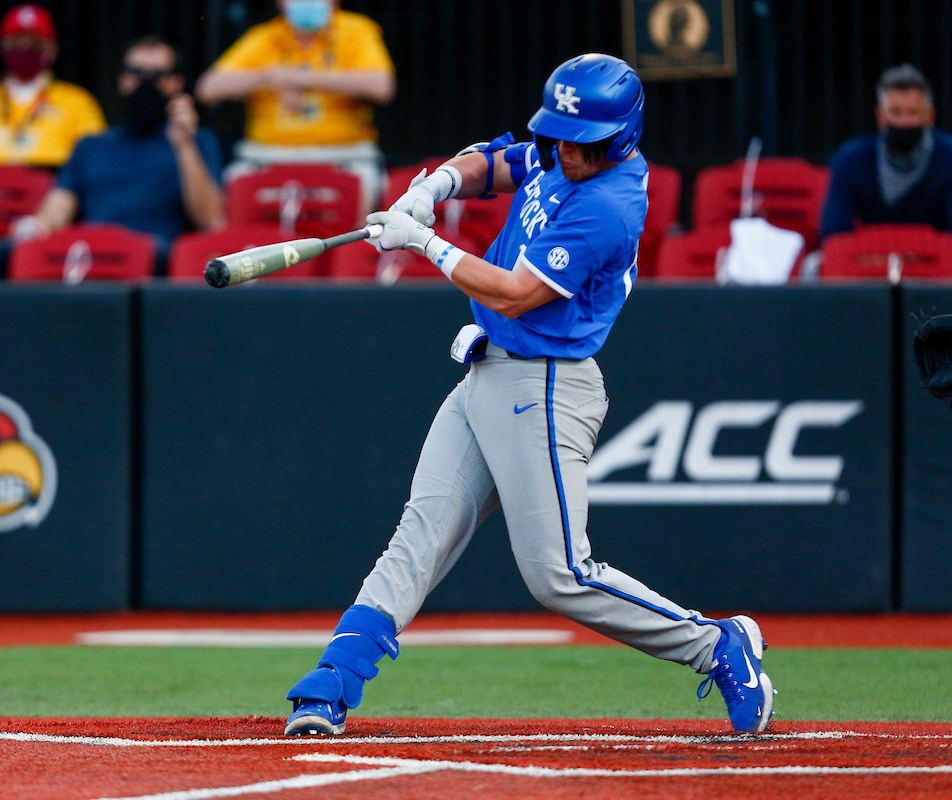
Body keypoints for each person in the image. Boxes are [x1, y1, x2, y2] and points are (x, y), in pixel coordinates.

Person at [282, 54, 776, 738]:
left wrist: (423, 240)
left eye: (584, 143)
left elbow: (517, 293)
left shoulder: (610, 202)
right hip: (488, 372)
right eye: (560, 138)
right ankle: (333, 682)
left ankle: (718, 646)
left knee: (559, 575)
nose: (567, 153)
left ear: (620, 138)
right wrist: (438, 185)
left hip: (545, 385)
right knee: (418, 537)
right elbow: (495, 162)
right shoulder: (561, 148)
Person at [13, 35, 224, 274]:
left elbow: (208, 219)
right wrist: (41, 223)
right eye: (136, 73)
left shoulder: (197, 142)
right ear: (122, 81)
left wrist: (184, 144)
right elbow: (59, 204)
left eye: (156, 75)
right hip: (89, 257)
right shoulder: (91, 145)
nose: (145, 83)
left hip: (155, 264)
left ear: (176, 83)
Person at [194, 0, 395, 210]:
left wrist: (302, 78)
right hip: (265, 158)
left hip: (345, 158)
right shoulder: (265, 35)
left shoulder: (356, 30)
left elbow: (382, 87)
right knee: (235, 181)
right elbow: (208, 88)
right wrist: (268, 77)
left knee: (371, 191)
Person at [0, 4, 106, 167]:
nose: (24, 48)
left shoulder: (78, 103)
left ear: (52, 49)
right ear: (2, 47)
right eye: (16, 43)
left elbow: (98, 163)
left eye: (35, 44)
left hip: (52, 195)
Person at [820, 63, 952, 240]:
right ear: (880, 116)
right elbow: (833, 232)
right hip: (871, 258)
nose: (904, 122)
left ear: (930, 115)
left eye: (912, 112)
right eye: (895, 112)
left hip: (937, 260)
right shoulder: (851, 159)